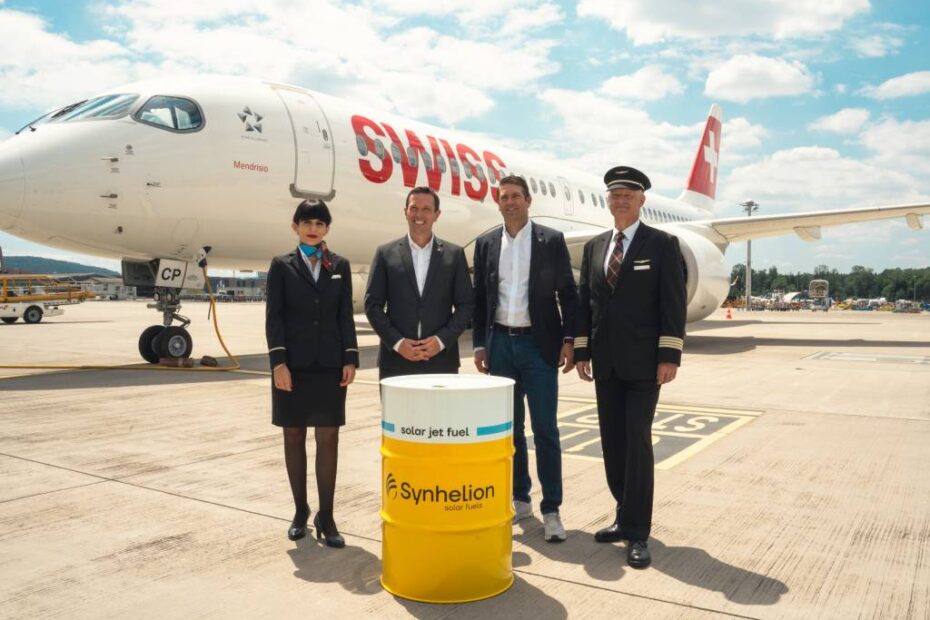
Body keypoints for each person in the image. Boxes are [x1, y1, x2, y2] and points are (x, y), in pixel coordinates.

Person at [574, 166, 687, 568]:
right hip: (604, 364)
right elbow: (586, 304)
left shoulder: (662, 245)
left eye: (629, 194)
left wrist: (669, 355)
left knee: (637, 443)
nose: (621, 200)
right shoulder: (595, 247)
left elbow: (672, 305)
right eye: (615, 194)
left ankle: (639, 532)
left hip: (643, 365)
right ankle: (623, 517)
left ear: (642, 201)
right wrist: (582, 351)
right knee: (613, 444)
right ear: (608, 200)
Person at [472, 175, 578, 542]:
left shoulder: (550, 240)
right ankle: (520, 499)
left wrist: (569, 339)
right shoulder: (486, 243)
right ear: (497, 202)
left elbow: (568, 292)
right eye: (504, 197)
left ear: (528, 200)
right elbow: (481, 299)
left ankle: (552, 509)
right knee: (509, 431)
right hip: (500, 344)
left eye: (516, 196)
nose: (510, 202)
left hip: (538, 345)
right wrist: (479, 345)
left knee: (545, 429)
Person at [265, 199, 359, 548]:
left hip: (330, 365)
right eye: (307, 222)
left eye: (320, 223)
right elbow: (274, 317)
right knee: (293, 436)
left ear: (327, 230)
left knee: (328, 438)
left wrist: (350, 358)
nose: (313, 228)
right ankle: (300, 511)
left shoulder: (340, 265)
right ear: (295, 227)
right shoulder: (281, 266)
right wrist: (278, 363)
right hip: (292, 365)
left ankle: (328, 514)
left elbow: (344, 315)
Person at [365, 186, 474, 379]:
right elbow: (372, 305)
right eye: (414, 208)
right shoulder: (385, 254)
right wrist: (398, 343)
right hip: (396, 361)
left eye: (426, 209)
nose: (419, 215)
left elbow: (466, 305)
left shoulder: (454, 255)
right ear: (405, 212)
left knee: (441, 411)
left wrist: (441, 341)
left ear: (436, 214)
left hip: (442, 361)